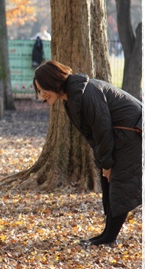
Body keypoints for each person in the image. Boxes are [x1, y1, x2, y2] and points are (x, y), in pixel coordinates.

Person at [33, 60, 142, 248]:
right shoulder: (74, 96)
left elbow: (102, 130)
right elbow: (94, 135)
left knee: (120, 185)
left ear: (53, 82)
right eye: (38, 90)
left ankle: (108, 238)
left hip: (133, 133)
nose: (41, 95)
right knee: (111, 186)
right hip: (123, 135)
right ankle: (107, 235)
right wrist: (103, 163)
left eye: (42, 89)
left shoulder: (85, 93)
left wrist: (107, 164)